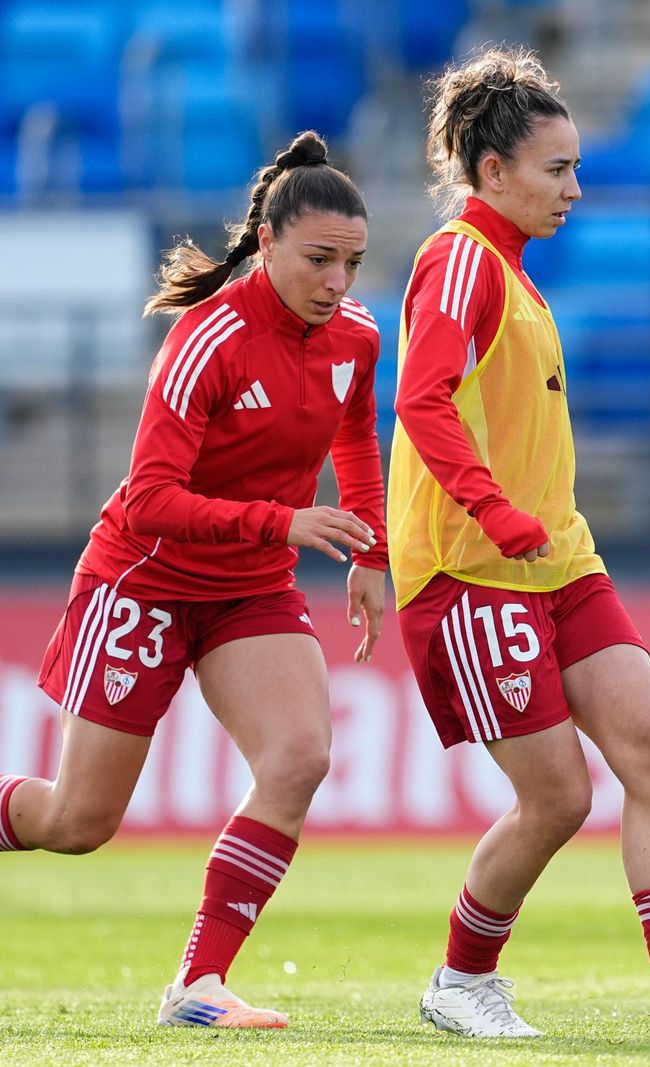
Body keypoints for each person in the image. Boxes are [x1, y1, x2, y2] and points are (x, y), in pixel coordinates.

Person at [389, 47, 650, 1039]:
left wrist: (536, 523)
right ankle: (460, 980)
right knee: (559, 794)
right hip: (471, 569)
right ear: (493, 173)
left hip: (558, 559)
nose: (576, 185)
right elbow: (420, 400)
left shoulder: (514, 279)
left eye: (575, 165)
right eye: (557, 168)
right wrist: (495, 511)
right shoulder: (459, 261)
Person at [0, 131, 388, 1029]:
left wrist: (370, 549)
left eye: (353, 263)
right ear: (267, 243)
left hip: (248, 587)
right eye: (320, 260)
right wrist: (283, 520)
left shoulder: (358, 334)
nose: (338, 282)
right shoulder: (207, 339)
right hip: (143, 580)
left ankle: (198, 983)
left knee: (300, 756)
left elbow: (355, 433)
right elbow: (150, 499)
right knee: (76, 822)